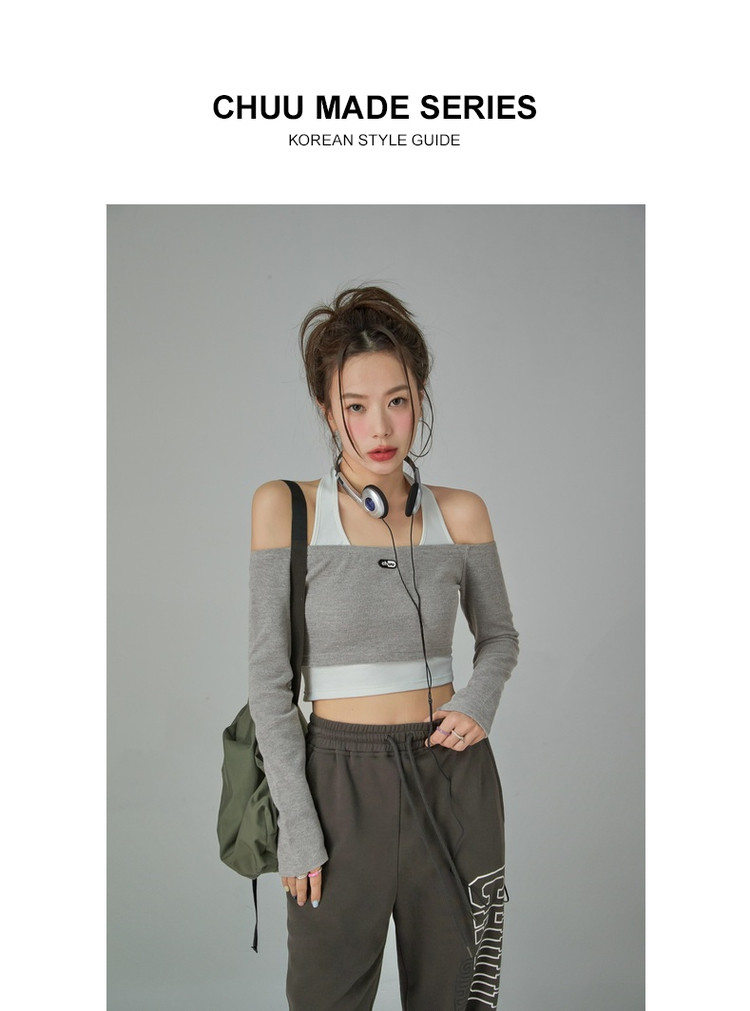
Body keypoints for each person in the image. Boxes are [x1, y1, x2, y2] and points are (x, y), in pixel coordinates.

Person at [247, 285, 520, 1010]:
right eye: (356, 405)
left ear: (419, 397)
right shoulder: (287, 509)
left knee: (459, 996)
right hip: (338, 782)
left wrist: (479, 700)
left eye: (397, 401)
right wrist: (298, 825)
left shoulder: (462, 513)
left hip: (453, 775)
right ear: (326, 409)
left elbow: (498, 637)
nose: (379, 426)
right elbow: (269, 683)